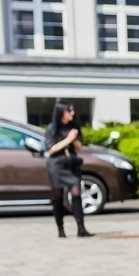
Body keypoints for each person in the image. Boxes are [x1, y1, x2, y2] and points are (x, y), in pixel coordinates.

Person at [42, 100, 91, 238]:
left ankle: (81, 228)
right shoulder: (52, 128)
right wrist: (68, 139)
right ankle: (60, 229)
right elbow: (51, 149)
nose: (72, 113)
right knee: (58, 196)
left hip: (71, 164)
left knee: (76, 193)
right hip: (57, 165)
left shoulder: (74, 126)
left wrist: (74, 139)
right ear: (61, 112)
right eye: (69, 111)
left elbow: (79, 147)